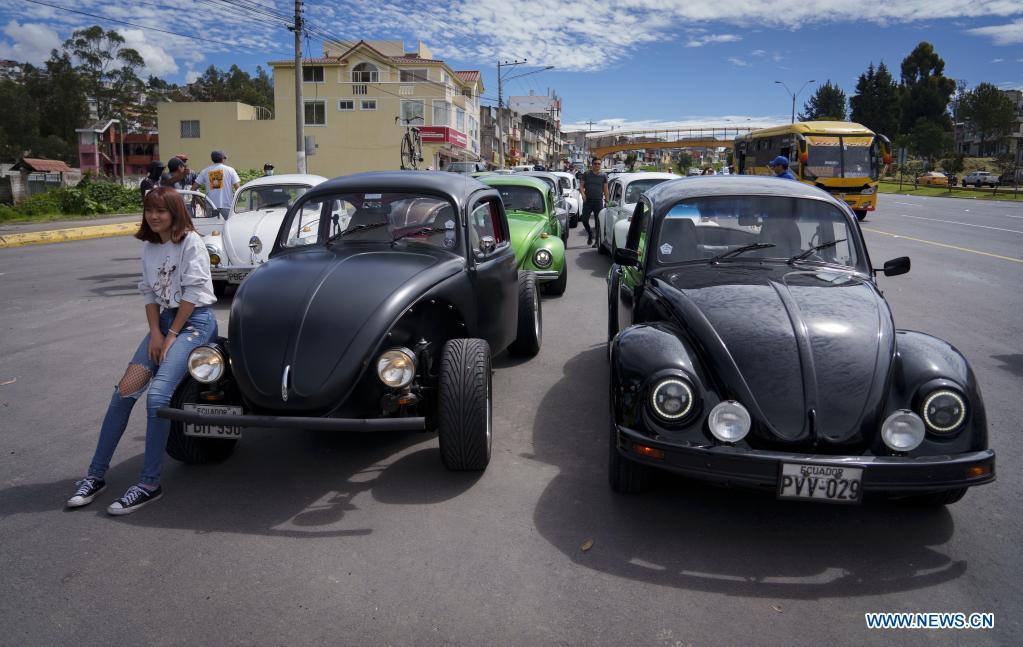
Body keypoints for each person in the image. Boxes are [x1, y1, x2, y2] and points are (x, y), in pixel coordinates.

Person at [66, 187, 218, 515]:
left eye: (161, 210)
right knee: (123, 394)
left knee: (158, 397)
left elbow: (192, 294)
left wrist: (172, 335)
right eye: (149, 209)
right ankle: (95, 476)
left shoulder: (191, 243)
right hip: (163, 323)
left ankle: (150, 483)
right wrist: (155, 334)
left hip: (193, 324)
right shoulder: (149, 247)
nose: (153, 215)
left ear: (175, 212)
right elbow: (149, 293)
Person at [192, 150, 241, 218]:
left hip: (211, 207)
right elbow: (238, 189)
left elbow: (193, 189)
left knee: (213, 228)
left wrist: (202, 204)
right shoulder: (230, 170)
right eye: (225, 158)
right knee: (227, 227)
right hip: (227, 207)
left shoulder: (205, 171)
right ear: (222, 159)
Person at [579, 158, 609, 247]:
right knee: (584, 220)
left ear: (601, 165)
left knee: (598, 223)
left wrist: (607, 201)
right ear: (592, 164)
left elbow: (606, 189)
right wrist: (583, 195)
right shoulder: (586, 174)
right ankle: (590, 234)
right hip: (587, 201)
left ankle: (596, 241)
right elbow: (581, 186)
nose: (597, 165)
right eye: (595, 163)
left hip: (598, 201)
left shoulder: (603, 175)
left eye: (599, 164)